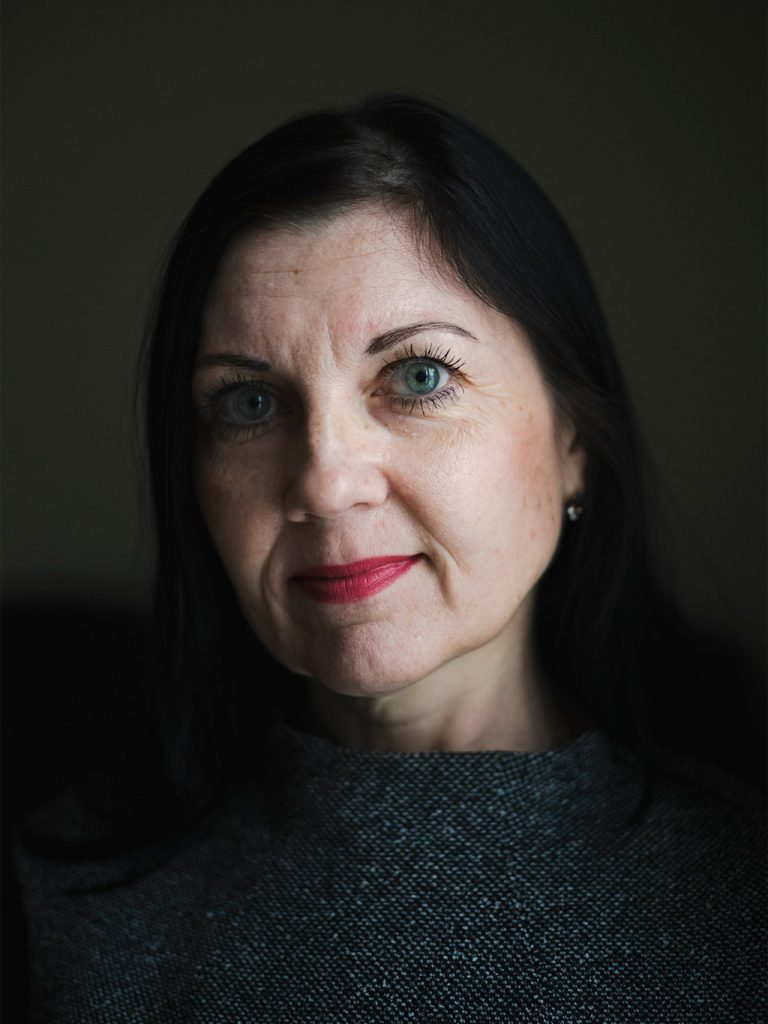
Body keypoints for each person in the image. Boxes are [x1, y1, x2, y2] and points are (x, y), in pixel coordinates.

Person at [13, 94, 765, 1022]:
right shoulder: (58, 915)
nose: (327, 482)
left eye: (418, 376)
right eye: (248, 403)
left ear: (574, 437)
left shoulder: (740, 903)